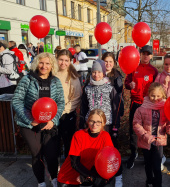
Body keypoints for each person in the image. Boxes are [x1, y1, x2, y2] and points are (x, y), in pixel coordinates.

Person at [12, 52, 65, 187]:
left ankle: (54, 178)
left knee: (52, 154)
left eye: (47, 63)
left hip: (49, 123)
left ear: (52, 65)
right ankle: (41, 182)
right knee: (37, 153)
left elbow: (60, 102)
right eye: (41, 62)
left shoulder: (55, 81)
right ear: (37, 63)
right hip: (30, 124)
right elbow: (17, 100)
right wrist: (29, 119)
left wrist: (54, 120)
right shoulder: (27, 79)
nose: (44, 66)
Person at [133, 82, 170, 187]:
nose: (155, 98)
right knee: (148, 164)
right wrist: (145, 136)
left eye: (158, 96)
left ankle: (158, 184)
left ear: (162, 95)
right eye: (153, 95)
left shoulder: (166, 107)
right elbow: (136, 124)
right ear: (148, 94)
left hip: (159, 141)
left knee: (157, 166)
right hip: (146, 141)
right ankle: (149, 181)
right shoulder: (141, 109)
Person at [57, 109, 114, 187]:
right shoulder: (79, 135)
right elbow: (74, 163)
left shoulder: (105, 136)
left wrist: (91, 177)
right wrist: (89, 176)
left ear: (103, 123)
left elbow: (108, 160)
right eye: (92, 121)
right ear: (88, 121)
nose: (94, 125)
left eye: (98, 122)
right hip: (68, 178)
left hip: (85, 176)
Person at [125, 45, 158, 169]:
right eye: (143, 53)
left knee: (147, 130)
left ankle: (147, 154)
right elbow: (126, 83)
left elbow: (157, 88)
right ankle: (134, 153)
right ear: (140, 55)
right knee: (133, 130)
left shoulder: (154, 71)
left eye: (148, 54)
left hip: (148, 104)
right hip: (135, 104)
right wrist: (129, 85)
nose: (146, 56)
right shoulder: (133, 68)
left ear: (151, 56)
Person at [101, 52, 124, 187]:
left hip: (113, 116)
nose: (108, 64)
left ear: (114, 63)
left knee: (113, 145)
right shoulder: (97, 74)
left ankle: (118, 174)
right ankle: (104, 170)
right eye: (106, 61)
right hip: (99, 118)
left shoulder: (117, 77)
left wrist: (118, 116)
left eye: (110, 61)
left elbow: (119, 97)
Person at [56, 49, 81, 158]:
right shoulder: (51, 73)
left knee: (68, 142)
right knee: (53, 142)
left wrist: (63, 110)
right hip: (51, 114)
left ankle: (68, 167)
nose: (63, 63)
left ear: (70, 61)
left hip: (67, 114)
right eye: (61, 59)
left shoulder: (72, 76)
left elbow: (76, 97)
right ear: (56, 58)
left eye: (66, 60)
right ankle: (54, 166)